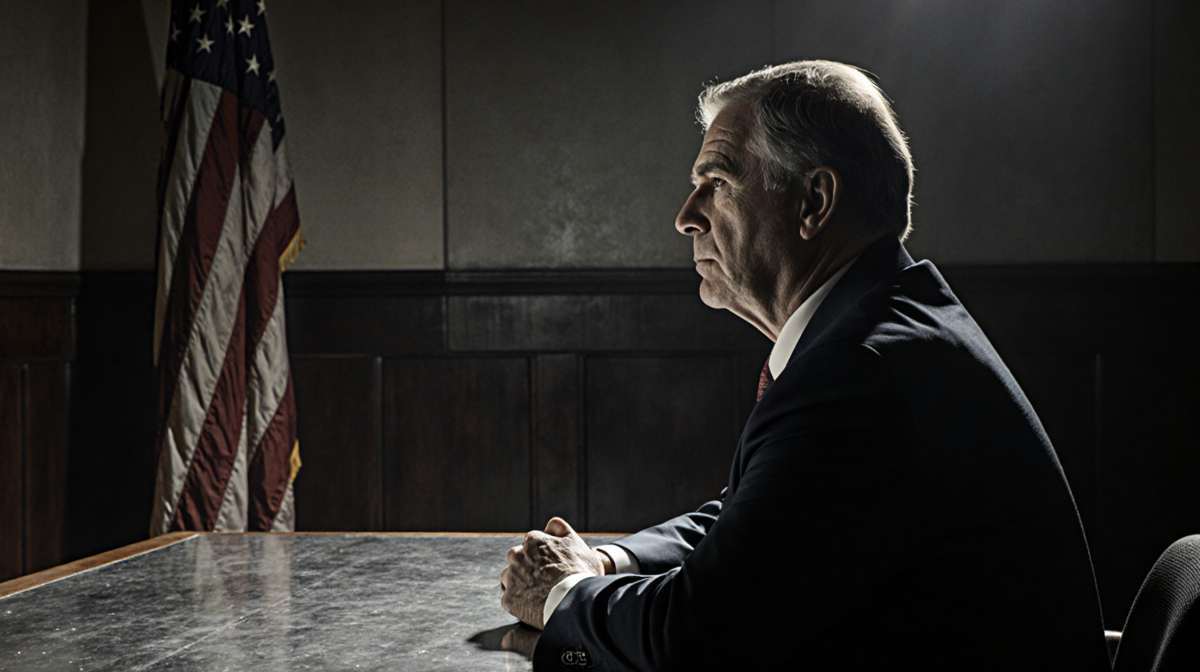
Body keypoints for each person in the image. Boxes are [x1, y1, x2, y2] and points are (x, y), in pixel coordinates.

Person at [499, 60, 1110, 671]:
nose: (686, 215)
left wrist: (562, 595)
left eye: (716, 181)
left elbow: (696, 638)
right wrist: (609, 563)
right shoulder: (883, 328)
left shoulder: (858, 372)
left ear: (814, 201)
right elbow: (756, 517)